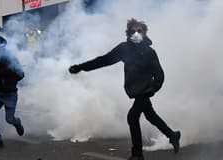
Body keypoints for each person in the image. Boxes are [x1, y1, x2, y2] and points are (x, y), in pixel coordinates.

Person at [69, 18, 181, 160]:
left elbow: (159, 74)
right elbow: (104, 60)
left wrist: (153, 88)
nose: (136, 33)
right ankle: (173, 135)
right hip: (135, 90)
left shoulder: (150, 52)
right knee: (150, 115)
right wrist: (81, 67)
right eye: (133, 31)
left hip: (145, 89)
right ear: (128, 33)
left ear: (144, 33)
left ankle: (137, 155)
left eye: (139, 31)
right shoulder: (124, 49)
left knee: (132, 117)